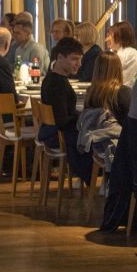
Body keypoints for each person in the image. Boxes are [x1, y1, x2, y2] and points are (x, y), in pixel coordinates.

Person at [39, 37, 91, 181]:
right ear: (60, 57)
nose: (79, 64)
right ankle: (97, 180)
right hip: (58, 136)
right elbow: (62, 120)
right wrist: (84, 118)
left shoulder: (51, 78)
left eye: (80, 59)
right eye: (74, 59)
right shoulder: (58, 84)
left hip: (49, 131)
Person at [83, 51, 131, 125]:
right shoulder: (123, 92)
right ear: (118, 68)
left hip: (91, 132)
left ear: (96, 69)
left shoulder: (90, 93)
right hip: (118, 132)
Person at [4, 12, 49, 77]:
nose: (15, 35)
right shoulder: (18, 49)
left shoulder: (36, 49)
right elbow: (17, 70)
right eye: (14, 32)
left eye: (18, 33)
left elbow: (36, 73)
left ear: (28, 33)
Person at [105, 20, 137, 85]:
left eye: (110, 35)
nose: (106, 39)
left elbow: (112, 81)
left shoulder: (124, 54)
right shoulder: (130, 52)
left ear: (119, 36)